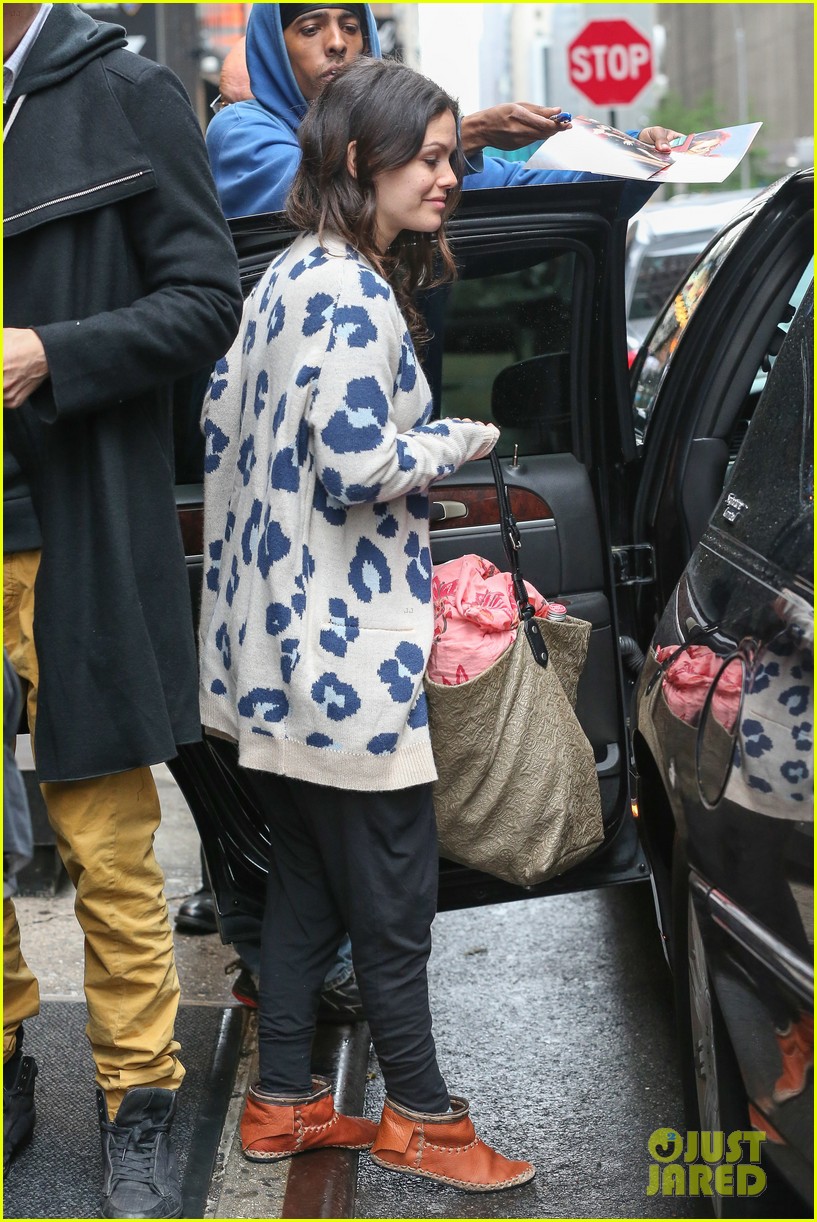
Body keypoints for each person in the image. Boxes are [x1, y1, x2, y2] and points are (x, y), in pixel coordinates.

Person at [199, 54, 536, 1192]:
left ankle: (284, 1102)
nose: (447, 177)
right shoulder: (348, 290)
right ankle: (425, 1120)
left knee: (305, 887)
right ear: (359, 159)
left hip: (274, 654)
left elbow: (227, 435)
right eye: (427, 158)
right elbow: (354, 466)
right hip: (344, 660)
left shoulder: (285, 276)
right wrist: (458, 440)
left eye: (450, 157)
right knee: (392, 901)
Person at [3, 3, 243, 1216]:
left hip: (71, 525)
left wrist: (53, 349)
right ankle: (8, 1055)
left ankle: (139, 1091)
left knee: (103, 836)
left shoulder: (130, 91)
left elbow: (207, 302)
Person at [205, 3, 679, 219]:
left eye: (350, 27)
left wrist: (637, 158)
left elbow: (530, 189)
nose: (336, 43)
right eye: (310, 29)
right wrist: (465, 134)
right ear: (274, 48)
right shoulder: (242, 130)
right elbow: (315, 200)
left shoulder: (416, 158)